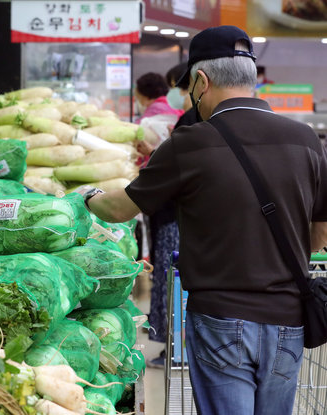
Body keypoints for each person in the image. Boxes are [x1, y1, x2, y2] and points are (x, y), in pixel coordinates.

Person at [76, 25, 327, 415]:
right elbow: (318, 235)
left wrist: (86, 197)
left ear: (200, 81)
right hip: (288, 323)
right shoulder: (306, 140)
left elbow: (121, 209)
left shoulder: (190, 143)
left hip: (220, 318)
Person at [144, 62, 200, 369]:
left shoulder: (191, 123)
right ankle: (177, 349)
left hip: (174, 217)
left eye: (179, 88)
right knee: (173, 282)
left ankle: (177, 351)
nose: (177, 94)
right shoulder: (195, 121)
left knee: (172, 280)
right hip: (179, 216)